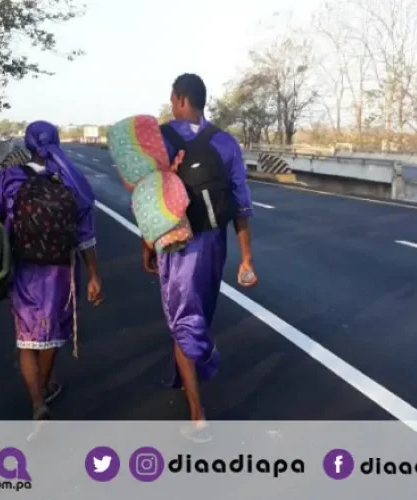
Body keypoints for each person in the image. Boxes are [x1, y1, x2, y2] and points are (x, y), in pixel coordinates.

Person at [145, 73, 258, 437]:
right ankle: (188, 372)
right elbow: (241, 203)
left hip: (176, 242)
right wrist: (246, 258)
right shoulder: (225, 142)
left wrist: (146, 245)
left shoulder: (161, 139)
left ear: (178, 99)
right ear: (202, 101)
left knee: (182, 321)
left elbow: (151, 198)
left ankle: (197, 415)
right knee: (199, 313)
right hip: (214, 244)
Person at [0, 120, 104, 420]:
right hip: (60, 271)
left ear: (27, 144)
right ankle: (45, 385)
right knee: (51, 332)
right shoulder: (70, 182)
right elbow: (85, 233)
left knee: (26, 336)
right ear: (56, 143)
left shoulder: (7, 179)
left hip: (24, 267)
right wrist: (94, 275)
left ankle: (38, 401)